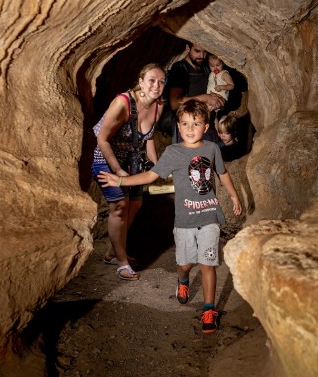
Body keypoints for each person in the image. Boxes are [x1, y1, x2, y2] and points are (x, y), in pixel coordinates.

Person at [98, 100, 242, 333]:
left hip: (209, 217)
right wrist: (121, 180)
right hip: (185, 221)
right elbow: (150, 176)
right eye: (185, 123)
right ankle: (183, 280)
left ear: (206, 127)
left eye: (196, 124)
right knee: (185, 264)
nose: (190, 128)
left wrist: (234, 196)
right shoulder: (173, 152)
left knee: (208, 264)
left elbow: (222, 173)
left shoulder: (212, 149)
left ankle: (208, 310)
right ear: (178, 125)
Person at [91, 63, 165, 281]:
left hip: (131, 156)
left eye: (161, 81)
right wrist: (118, 170)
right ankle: (122, 262)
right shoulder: (122, 102)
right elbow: (102, 139)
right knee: (120, 205)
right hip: (104, 155)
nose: (156, 85)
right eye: (151, 80)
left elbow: (148, 137)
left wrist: (156, 165)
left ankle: (112, 252)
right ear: (140, 81)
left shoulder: (158, 106)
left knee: (135, 204)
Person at [165, 42, 224, 143]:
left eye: (205, 52)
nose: (201, 56)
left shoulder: (207, 68)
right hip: (188, 130)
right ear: (188, 48)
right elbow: (175, 103)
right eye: (197, 51)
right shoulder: (180, 69)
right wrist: (205, 98)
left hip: (209, 127)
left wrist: (219, 101)